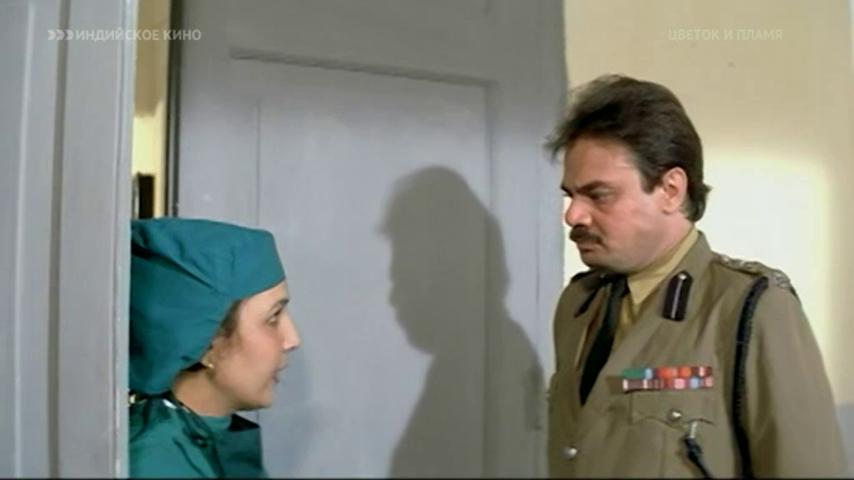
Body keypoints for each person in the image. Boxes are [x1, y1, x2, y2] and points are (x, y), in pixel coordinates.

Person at [546, 74, 848, 477]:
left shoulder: (752, 309)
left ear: (671, 190)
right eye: (570, 195)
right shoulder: (579, 306)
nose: (573, 215)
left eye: (598, 195)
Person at [128, 218, 301, 478]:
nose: (292, 339)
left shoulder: (208, 437)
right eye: (273, 318)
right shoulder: (154, 464)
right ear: (208, 343)